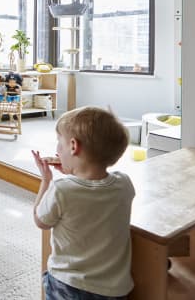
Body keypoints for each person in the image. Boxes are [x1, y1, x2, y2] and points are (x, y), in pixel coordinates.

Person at [32, 106, 134, 300]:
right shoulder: (124, 183)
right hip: (115, 289)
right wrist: (75, 170)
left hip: (69, 285)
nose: (56, 150)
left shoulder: (62, 189)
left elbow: (40, 220)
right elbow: (92, 191)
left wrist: (46, 180)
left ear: (73, 146)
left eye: (59, 142)